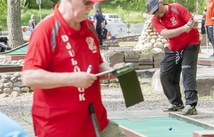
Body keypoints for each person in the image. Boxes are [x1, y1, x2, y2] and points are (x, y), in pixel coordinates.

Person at [21, 1, 125, 137]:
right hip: (60, 128)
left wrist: (110, 70)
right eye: (87, 2)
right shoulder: (46, 29)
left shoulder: (89, 26)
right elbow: (29, 77)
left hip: (96, 123)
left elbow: (96, 63)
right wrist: (72, 79)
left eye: (93, 3)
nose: (91, 7)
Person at [146, 0, 200, 115]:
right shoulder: (155, 19)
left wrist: (193, 24)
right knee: (165, 74)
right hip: (174, 47)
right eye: (153, 12)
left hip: (191, 43)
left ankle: (191, 105)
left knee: (187, 72)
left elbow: (193, 23)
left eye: (156, 9)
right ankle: (176, 103)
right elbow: (165, 33)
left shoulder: (176, 8)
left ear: (161, 3)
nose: (156, 13)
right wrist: (183, 29)